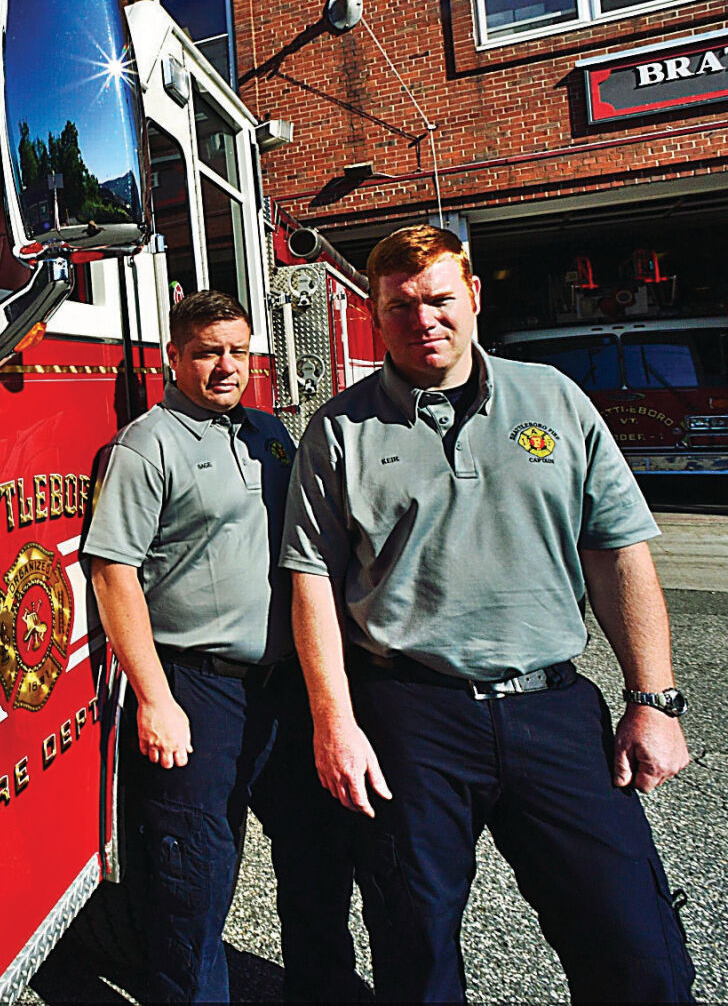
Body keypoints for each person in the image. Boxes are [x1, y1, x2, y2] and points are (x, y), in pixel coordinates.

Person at [282, 224, 694, 1003]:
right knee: (416, 947)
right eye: (400, 304)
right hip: (410, 717)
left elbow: (619, 551)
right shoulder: (337, 431)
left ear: (473, 296)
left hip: (554, 709)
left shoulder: (554, 398)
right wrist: (334, 722)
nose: (422, 317)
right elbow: (312, 583)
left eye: (439, 298)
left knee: (634, 942)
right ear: (375, 315)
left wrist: (653, 698)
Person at [85, 289, 357, 1003]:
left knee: (318, 854)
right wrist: (153, 698)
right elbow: (113, 576)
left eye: (237, 350)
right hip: (197, 690)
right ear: (174, 356)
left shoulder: (268, 432)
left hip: (285, 688)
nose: (225, 366)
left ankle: (326, 987)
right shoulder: (147, 445)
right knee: (195, 878)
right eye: (207, 351)